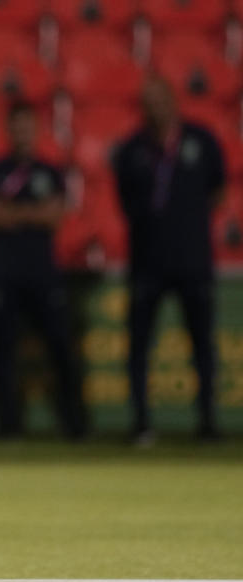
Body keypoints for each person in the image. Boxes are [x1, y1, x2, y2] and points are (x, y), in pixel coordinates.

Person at [112, 76, 226, 444]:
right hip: (147, 261)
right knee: (140, 345)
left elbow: (218, 190)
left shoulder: (201, 141)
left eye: (160, 100)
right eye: (148, 102)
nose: (155, 108)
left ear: (174, 101)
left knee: (202, 345)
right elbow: (125, 200)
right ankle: (142, 423)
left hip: (193, 259)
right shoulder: (132, 149)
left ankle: (208, 422)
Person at [0, 101, 86, 440]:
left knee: (61, 350)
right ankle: (8, 427)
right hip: (4, 274)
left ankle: (75, 424)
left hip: (43, 274)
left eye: (28, 126)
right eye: (17, 126)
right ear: (9, 130)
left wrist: (14, 214)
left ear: (37, 130)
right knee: (4, 355)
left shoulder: (50, 172)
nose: (23, 133)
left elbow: (55, 216)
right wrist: (32, 214)